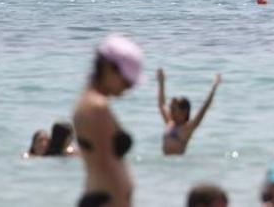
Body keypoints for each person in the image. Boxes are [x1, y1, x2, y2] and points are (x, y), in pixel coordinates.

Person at [74, 34, 143, 207]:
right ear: (108, 68)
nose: (128, 89)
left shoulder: (87, 103)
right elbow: (107, 166)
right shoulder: (96, 107)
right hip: (108, 200)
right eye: (127, 82)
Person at [157, 68, 222, 155]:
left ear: (184, 112)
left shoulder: (188, 128)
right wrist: (161, 82)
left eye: (173, 109)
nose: (170, 111)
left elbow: (205, 107)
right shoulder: (169, 123)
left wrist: (214, 86)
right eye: (171, 108)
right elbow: (162, 105)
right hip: (165, 164)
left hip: (177, 164)